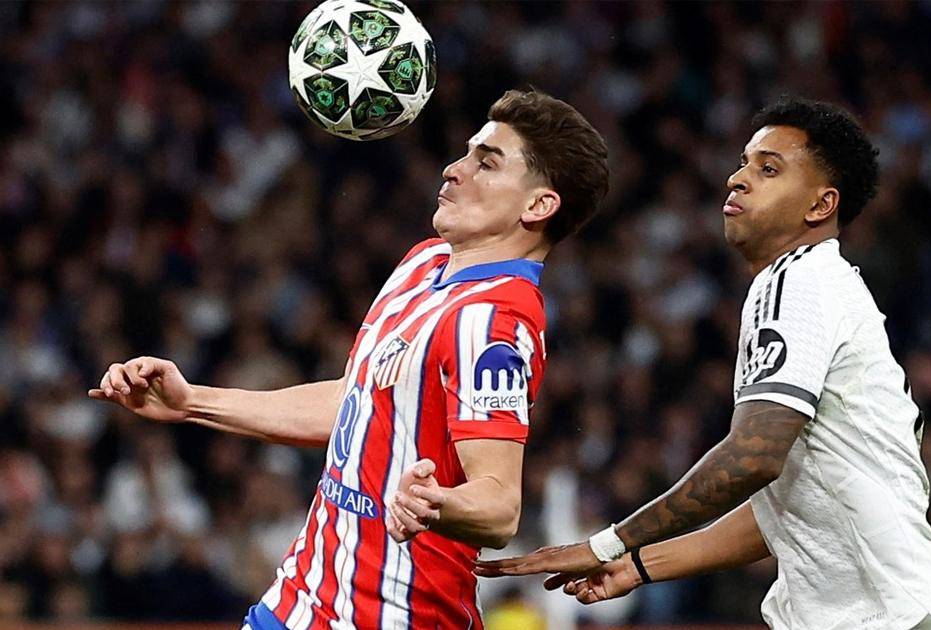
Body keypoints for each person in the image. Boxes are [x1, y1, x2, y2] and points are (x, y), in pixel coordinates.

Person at [88, 89, 609, 630]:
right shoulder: (425, 263)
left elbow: (500, 506)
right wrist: (193, 402)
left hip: (392, 617)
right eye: (467, 152)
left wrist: (434, 503)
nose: (454, 169)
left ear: (538, 206)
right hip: (298, 602)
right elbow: (352, 402)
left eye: (487, 163)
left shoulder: (494, 319)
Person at [475, 97, 931, 630]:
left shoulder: (797, 282)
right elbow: (779, 513)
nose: (737, 179)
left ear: (820, 205)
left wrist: (608, 542)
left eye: (769, 169)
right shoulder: (823, 285)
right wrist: (638, 564)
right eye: (743, 163)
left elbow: (754, 457)